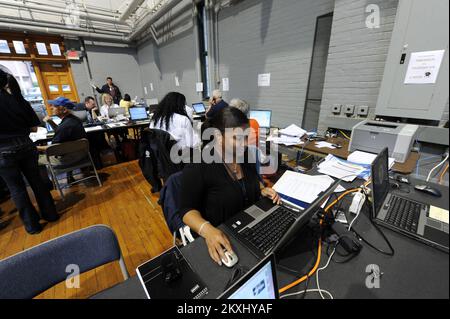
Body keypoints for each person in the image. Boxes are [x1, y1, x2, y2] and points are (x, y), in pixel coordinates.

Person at [179, 107, 280, 265]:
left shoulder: (246, 156)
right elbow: (186, 210)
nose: (244, 144)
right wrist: (208, 230)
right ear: (219, 137)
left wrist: (261, 189)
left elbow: (253, 181)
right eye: (237, 139)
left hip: (249, 227)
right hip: (224, 235)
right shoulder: (199, 165)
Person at [0, 70, 58, 234]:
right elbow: (34, 126)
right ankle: (51, 214)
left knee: (17, 190)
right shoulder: (17, 99)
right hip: (26, 145)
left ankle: (33, 226)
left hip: (3, 151)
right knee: (37, 182)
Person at [38, 97, 88, 172]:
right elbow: (62, 132)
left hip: (67, 159)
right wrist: (51, 122)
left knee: (35, 159)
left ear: (64, 110)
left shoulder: (65, 126)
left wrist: (35, 147)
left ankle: (45, 183)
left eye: (54, 106)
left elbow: (52, 149)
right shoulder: (74, 120)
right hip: (81, 155)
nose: (51, 108)